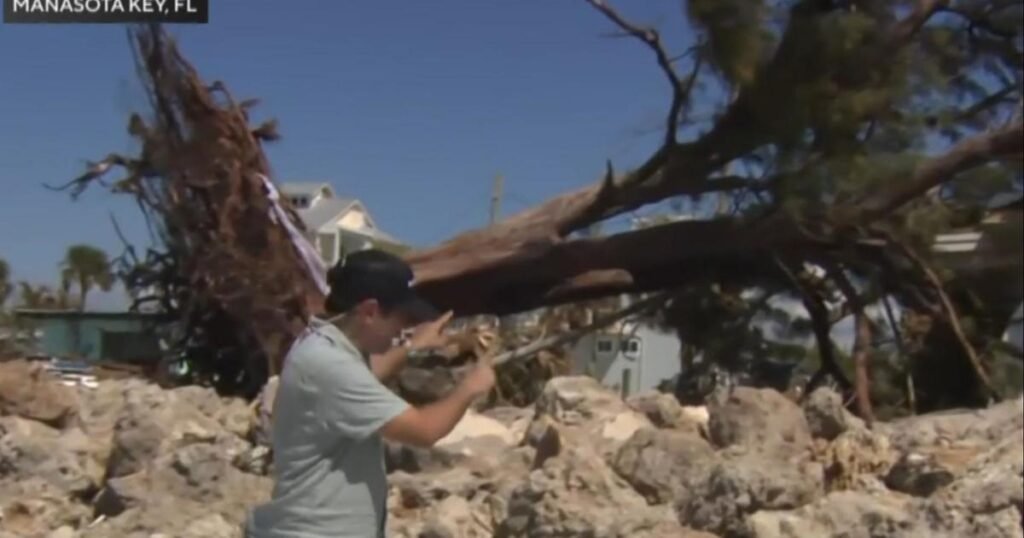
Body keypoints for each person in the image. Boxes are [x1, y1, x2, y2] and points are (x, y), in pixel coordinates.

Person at [245, 249, 496, 538]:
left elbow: (364, 377)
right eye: (402, 319)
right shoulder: (330, 365)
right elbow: (425, 431)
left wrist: (413, 347)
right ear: (370, 312)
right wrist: (470, 387)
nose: (405, 328)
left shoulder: (324, 345)